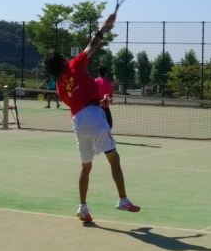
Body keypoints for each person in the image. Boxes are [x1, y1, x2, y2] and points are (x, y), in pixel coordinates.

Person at [43, 12, 140, 223]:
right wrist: (105, 25)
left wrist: (97, 104)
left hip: (78, 121)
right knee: (114, 158)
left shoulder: (60, 87)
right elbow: (92, 44)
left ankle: (82, 207)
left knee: (86, 166)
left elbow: (79, 102)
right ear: (61, 61)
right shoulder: (73, 65)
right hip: (93, 117)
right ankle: (123, 199)